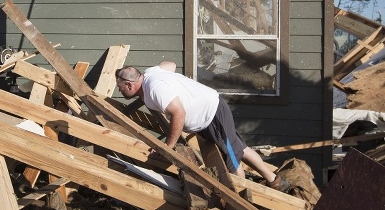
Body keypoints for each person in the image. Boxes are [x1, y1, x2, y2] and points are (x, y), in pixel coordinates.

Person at [115, 62, 291, 192]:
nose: (120, 91)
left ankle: (239, 204)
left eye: (120, 88)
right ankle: (274, 180)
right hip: (206, 117)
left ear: (130, 85)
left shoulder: (155, 88)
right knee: (239, 148)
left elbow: (179, 114)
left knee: (231, 160)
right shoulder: (151, 72)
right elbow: (171, 65)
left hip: (212, 114)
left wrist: (167, 146)